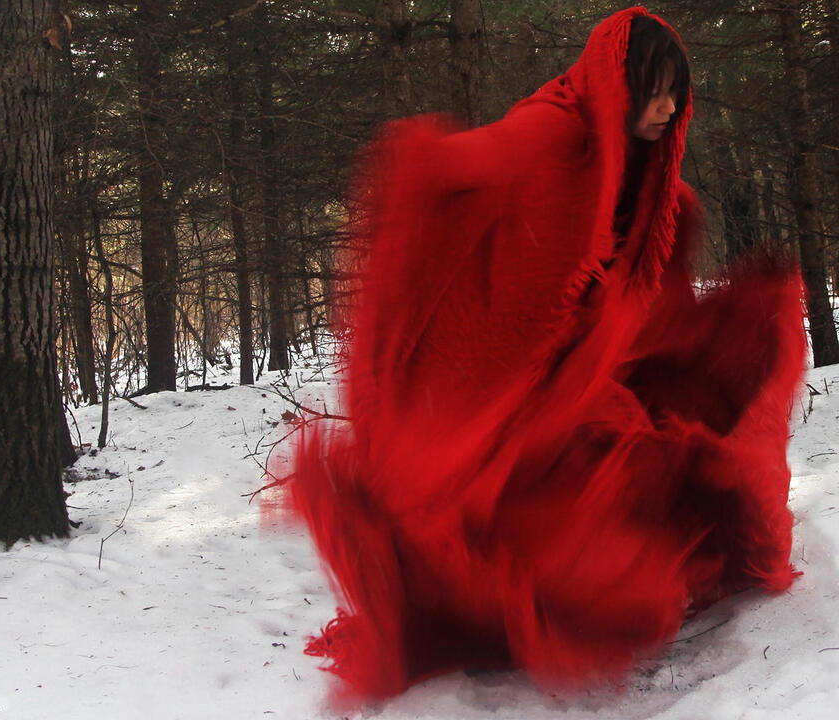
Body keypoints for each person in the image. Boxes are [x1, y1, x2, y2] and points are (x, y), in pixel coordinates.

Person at [287, 6, 807, 703]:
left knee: (669, 462)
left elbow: (637, 270)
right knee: (561, 545)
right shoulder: (553, 130)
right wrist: (425, 166)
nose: (666, 108)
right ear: (617, 86)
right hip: (517, 381)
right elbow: (481, 169)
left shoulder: (648, 176)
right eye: (652, 91)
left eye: (674, 95)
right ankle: (497, 607)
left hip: (577, 379)